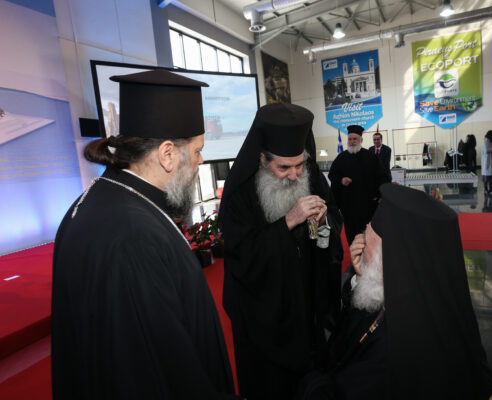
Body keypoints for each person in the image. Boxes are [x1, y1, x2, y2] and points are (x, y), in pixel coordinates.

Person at [52, 70, 238, 399]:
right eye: (197, 150)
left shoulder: (103, 199)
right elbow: (163, 365)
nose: (200, 160)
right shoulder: (134, 235)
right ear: (167, 154)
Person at [296, 184, 492, 399]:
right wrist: (361, 277)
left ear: (389, 261)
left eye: (367, 241)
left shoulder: (390, 358)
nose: (360, 247)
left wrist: (308, 379)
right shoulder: (423, 294)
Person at [219, 103, 344, 400]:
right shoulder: (241, 193)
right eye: (284, 168)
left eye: (299, 165)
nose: (294, 175)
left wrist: (322, 223)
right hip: (265, 323)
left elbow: (324, 232)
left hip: (307, 307)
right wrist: (288, 221)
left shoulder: (310, 174)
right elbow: (243, 257)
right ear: (262, 159)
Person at [328, 124, 391, 244]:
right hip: (348, 208)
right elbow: (332, 175)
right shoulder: (341, 158)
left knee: (368, 238)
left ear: (361, 140)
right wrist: (341, 180)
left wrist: (380, 195)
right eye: (350, 139)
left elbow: (383, 177)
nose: (352, 142)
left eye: (354, 139)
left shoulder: (370, 157)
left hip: (367, 207)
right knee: (351, 239)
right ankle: (353, 255)